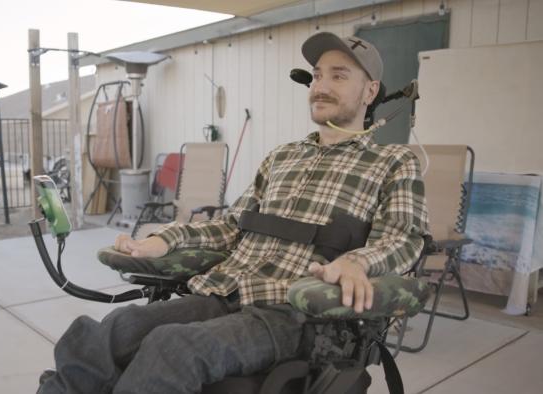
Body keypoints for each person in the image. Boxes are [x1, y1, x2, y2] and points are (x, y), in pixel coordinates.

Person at [37, 32, 429, 394]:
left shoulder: (392, 162)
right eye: (317, 75)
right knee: (102, 333)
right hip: (228, 289)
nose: (321, 86)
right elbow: (230, 227)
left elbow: (403, 238)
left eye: (339, 76)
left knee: (173, 348)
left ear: (370, 91)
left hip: (294, 311)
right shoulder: (283, 156)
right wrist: (164, 240)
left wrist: (358, 262)